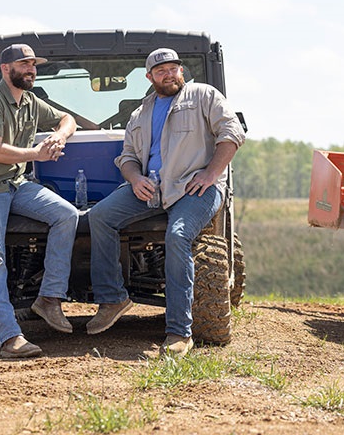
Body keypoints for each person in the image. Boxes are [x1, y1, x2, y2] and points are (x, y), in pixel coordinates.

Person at [85, 47, 245, 359]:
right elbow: (127, 158)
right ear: (149, 77)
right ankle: (113, 298)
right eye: (161, 71)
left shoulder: (203, 95)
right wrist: (135, 179)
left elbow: (232, 133)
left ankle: (179, 333)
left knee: (178, 235)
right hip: (151, 189)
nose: (168, 74)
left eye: (173, 68)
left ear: (181, 70)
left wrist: (212, 174)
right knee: (99, 216)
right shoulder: (140, 114)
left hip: (195, 187)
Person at [0, 43, 80, 359]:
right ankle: (11, 338)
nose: (32, 70)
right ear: (6, 69)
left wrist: (59, 136)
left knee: (67, 214)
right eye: (25, 64)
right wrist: (38, 153)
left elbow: (67, 118)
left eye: (34, 64)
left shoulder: (32, 102)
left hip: (15, 184)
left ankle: (48, 298)